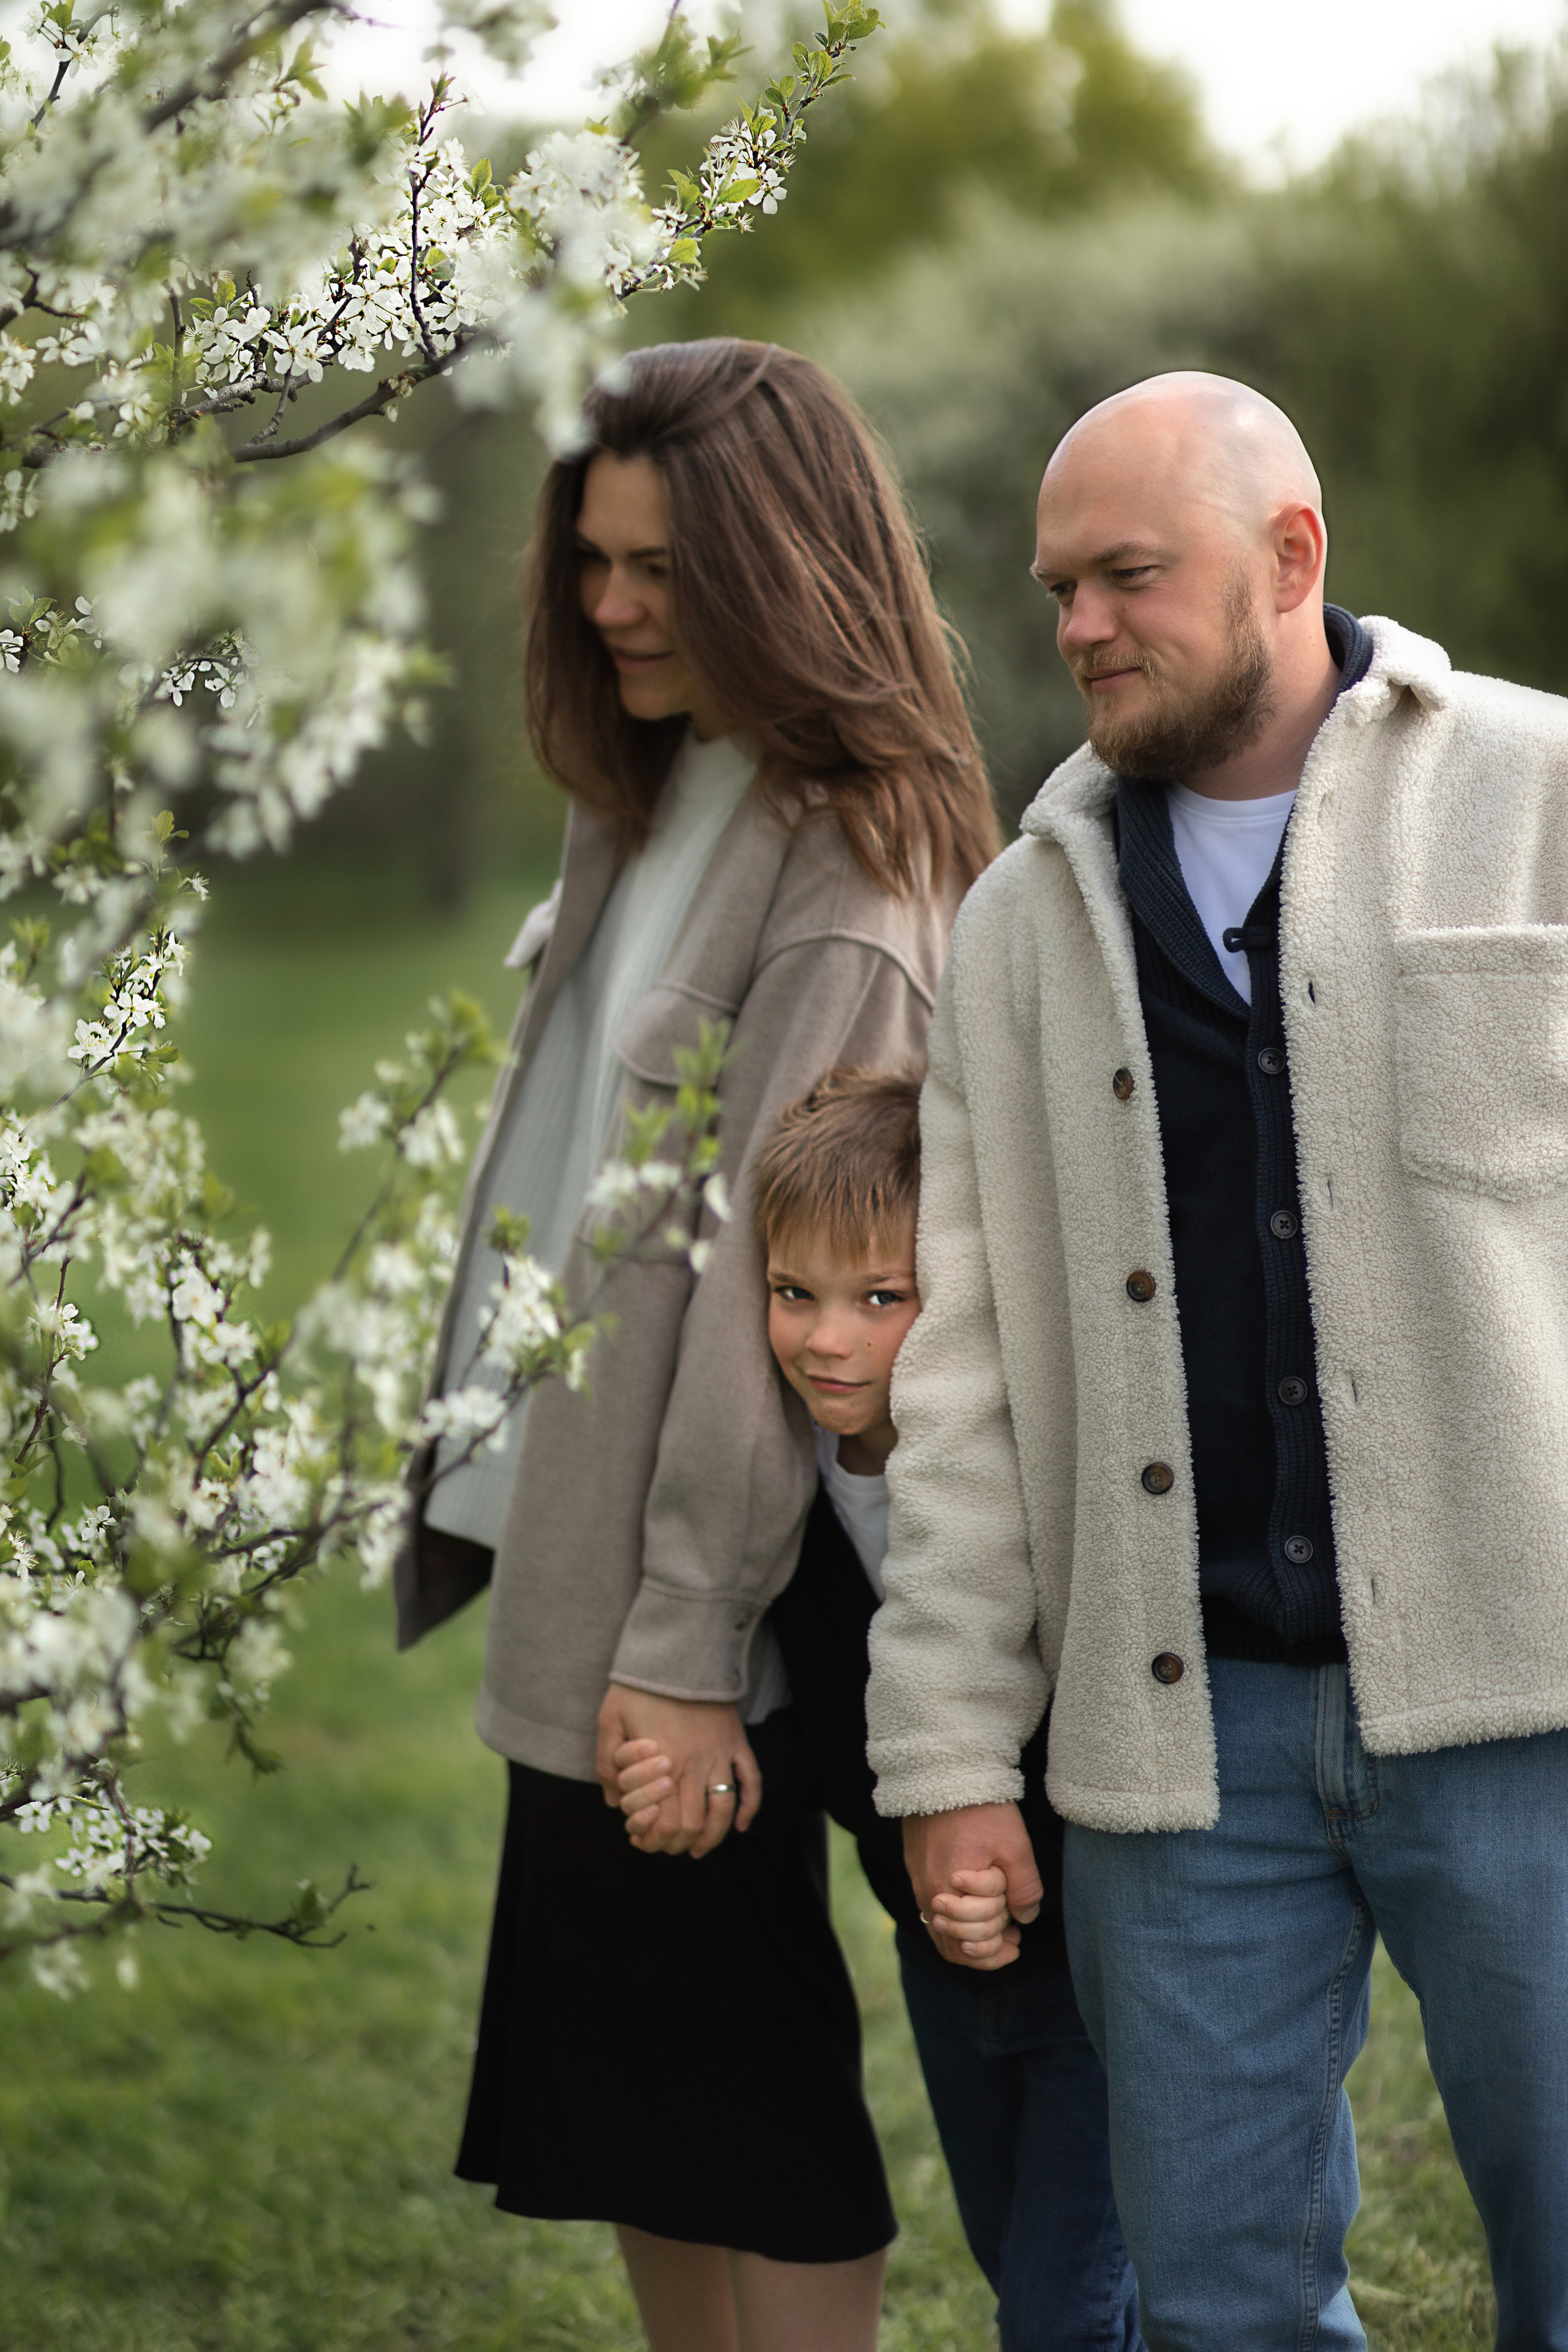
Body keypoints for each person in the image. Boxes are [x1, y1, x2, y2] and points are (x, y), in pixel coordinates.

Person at [864, 368, 1568, 2350]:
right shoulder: (1017, 923)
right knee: (1220, 2316)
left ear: (1291, 556)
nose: (1076, 624)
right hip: (1187, 1760)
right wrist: (944, 1755)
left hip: (1539, 1702)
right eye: (1058, 586)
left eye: (1126, 577)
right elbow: (970, 1377)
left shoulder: (1544, 794)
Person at [392, 337, 999, 2352]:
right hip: (597, 1546)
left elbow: (787, 1303)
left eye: (658, 565)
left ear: (777, 562)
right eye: (591, 558)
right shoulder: (657, 800)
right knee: (634, 2103)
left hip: (701, 1595)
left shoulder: (846, 869)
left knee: (745, 2107)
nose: (611, 602)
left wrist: (680, 1650)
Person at [614, 1066, 1141, 2352]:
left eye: (878, 1299)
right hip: (933, 1958)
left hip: (1097, 1957)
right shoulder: (790, 1473)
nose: (825, 1340)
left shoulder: (1016, 1475)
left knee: (1064, 2311)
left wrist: (1001, 1862)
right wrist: (731, 1776)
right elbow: (849, 1726)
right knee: (1016, 2258)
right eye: (794, 1295)